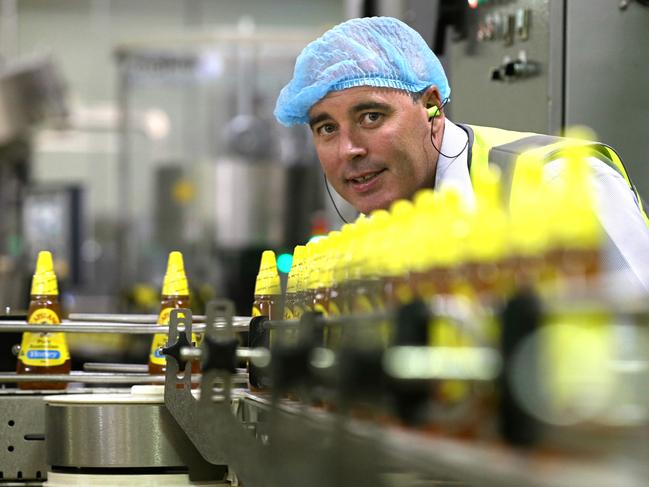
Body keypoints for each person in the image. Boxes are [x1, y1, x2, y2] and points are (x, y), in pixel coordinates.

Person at [273, 16, 649, 293]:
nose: (349, 149)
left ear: (432, 106)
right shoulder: (377, 235)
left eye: (372, 116)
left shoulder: (560, 184)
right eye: (326, 128)